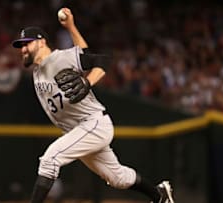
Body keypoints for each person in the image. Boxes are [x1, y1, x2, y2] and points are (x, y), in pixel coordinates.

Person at [12, 7, 175, 203]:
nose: (22, 49)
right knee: (118, 178)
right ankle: (159, 195)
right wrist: (71, 26)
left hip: (93, 124)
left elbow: (100, 60)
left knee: (50, 159)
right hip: (78, 131)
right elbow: (84, 53)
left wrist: (87, 82)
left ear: (41, 42)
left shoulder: (59, 58)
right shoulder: (37, 71)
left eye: (26, 44)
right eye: (20, 45)